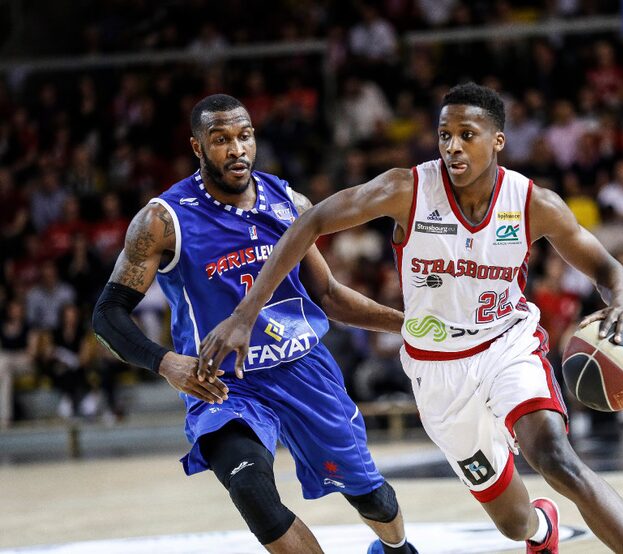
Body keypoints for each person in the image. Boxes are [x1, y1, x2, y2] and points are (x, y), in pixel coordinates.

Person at [200, 83, 623, 554]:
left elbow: (607, 268)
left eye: (467, 134)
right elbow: (311, 221)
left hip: (509, 347)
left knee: (556, 459)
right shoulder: (407, 189)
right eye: (444, 135)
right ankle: (541, 530)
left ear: (497, 140)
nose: (453, 146)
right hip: (438, 372)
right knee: (512, 522)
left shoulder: (532, 203)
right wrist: (244, 313)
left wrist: (620, 301)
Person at [92, 94, 417, 554]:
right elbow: (106, 315)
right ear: (197, 147)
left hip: (305, 371)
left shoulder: (290, 202)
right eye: (221, 140)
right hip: (225, 385)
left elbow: (327, 297)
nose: (237, 149)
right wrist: (167, 363)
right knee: (251, 490)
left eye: (244, 137)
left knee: (374, 499)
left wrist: (408, 325)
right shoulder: (164, 220)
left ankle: (398, 548)